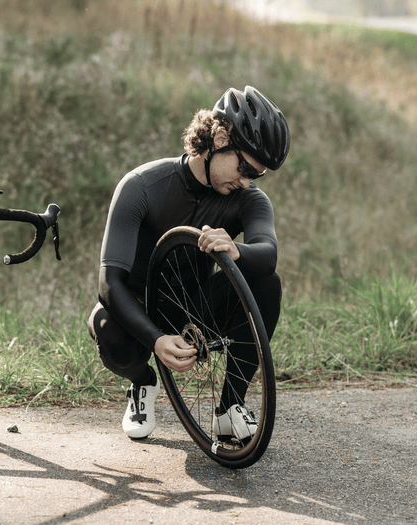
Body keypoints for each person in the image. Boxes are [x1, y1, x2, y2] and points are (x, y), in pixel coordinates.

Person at [88, 85, 288, 440]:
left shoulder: (247, 199)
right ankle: (143, 383)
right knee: (104, 323)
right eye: (243, 168)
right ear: (219, 138)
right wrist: (155, 340)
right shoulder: (142, 186)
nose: (245, 181)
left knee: (266, 282)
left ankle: (229, 408)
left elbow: (268, 253)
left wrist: (238, 250)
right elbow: (108, 284)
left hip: (194, 310)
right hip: (139, 314)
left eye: (255, 176)